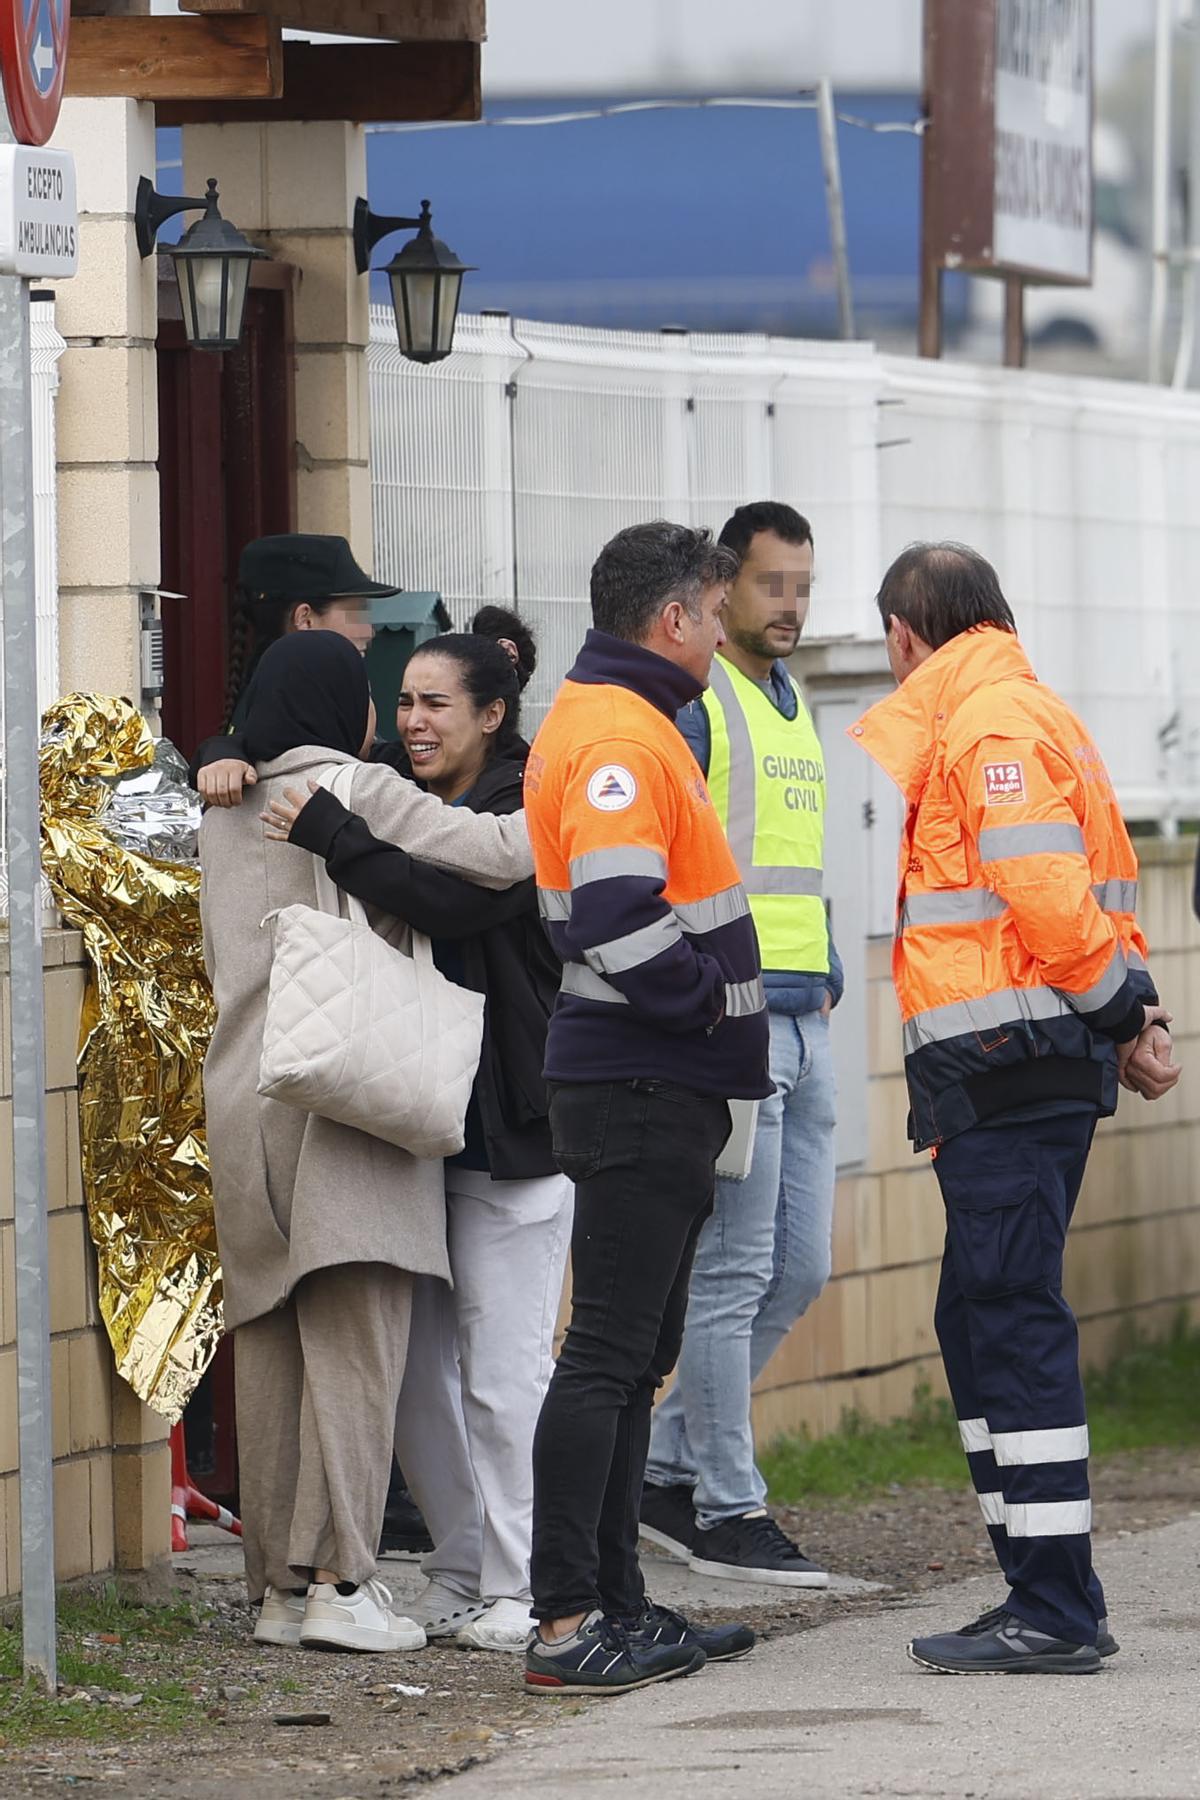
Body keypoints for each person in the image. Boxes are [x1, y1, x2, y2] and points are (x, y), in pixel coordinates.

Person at [850, 542, 1181, 1676]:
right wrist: (1129, 1015)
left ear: (904, 632)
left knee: (1009, 1313)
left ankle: (1056, 1608)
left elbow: (1045, 888)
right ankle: (1038, 1587)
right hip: (1022, 1055)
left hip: (1008, 1057)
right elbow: (1101, 884)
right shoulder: (1033, 713)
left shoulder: (989, 724)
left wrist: (1118, 1006)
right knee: (975, 1313)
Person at [199, 630, 532, 1655]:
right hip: (346, 1096)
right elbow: (505, 853)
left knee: (269, 1346)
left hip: (244, 1102)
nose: (390, 722)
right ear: (343, 707)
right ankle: (347, 1579)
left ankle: (279, 1592)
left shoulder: (219, 804)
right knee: (357, 1345)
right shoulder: (350, 783)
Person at [521, 521, 772, 1696]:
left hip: (646, 1079)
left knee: (633, 1357)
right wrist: (706, 1011)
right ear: (674, 619)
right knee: (610, 1354)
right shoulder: (621, 734)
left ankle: (616, 1602)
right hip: (639, 1076)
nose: (724, 642)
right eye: (717, 619)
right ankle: (570, 1620)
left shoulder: (623, 721)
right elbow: (620, 916)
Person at [641, 501, 840, 1587]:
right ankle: (727, 1502)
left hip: (808, 1013)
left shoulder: (793, 697)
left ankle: (667, 1460)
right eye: (771, 586)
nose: (792, 605)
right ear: (725, 589)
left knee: (800, 1268)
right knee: (731, 1273)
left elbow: (789, 860)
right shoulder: (700, 702)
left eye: (804, 586)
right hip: (740, 1019)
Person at [219, 532, 394, 738]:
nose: (369, 632)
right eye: (356, 615)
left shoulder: (264, 709)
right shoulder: (291, 724)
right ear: (305, 619)